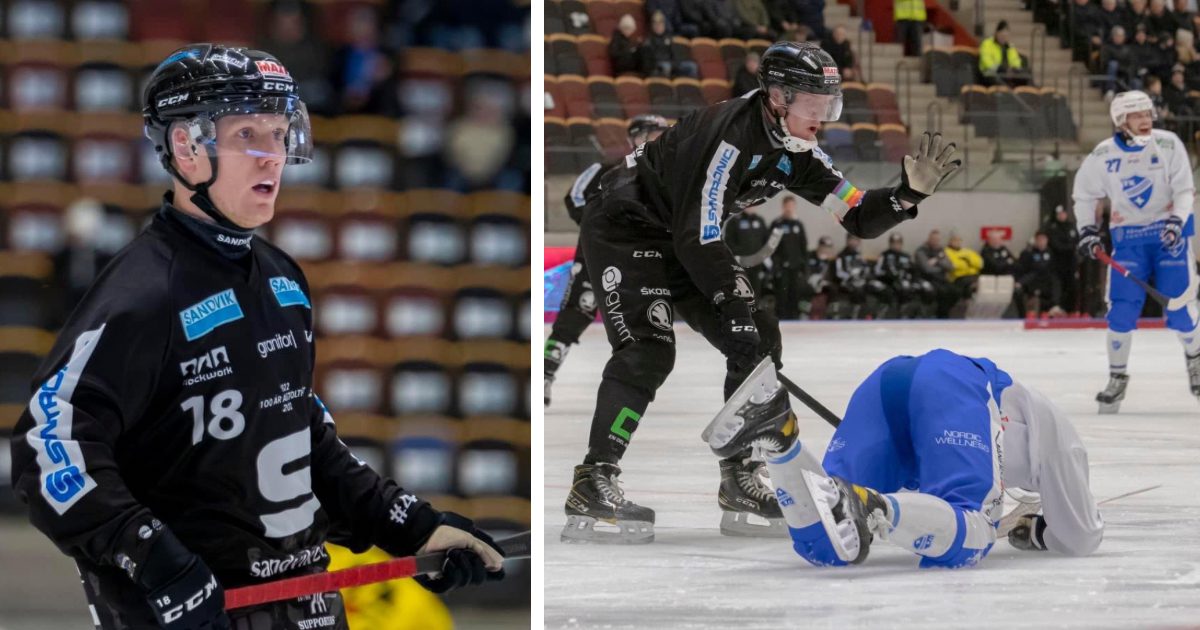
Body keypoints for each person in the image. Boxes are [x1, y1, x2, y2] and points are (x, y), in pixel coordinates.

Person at [9, 45, 505, 630]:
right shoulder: (143, 293)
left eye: (279, 132)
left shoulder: (282, 281)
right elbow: (48, 444)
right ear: (186, 149)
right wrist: (152, 558)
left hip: (307, 607)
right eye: (248, 134)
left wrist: (411, 526)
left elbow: (303, 435)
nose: (272, 157)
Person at [562, 41, 960, 543]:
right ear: (778, 97)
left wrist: (907, 195)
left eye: (830, 105)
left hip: (680, 235)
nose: (824, 117)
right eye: (815, 105)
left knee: (760, 338)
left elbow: (857, 215)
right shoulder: (727, 137)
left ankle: (739, 477)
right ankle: (593, 479)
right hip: (625, 227)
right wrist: (734, 304)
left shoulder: (798, 152)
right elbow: (698, 233)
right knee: (648, 350)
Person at [705, 351, 1104, 568]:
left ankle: (781, 440)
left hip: (887, 381)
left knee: (827, 539)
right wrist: (1035, 531)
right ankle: (873, 504)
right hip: (952, 384)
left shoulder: (1030, 423)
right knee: (974, 530)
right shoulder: (1065, 445)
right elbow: (1080, 537)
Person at [1074, 89, 1200, 412]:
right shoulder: (1103, 155)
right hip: (1128, 239)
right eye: (1137, 115)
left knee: (1180, 310)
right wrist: (1087, 230)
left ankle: (1195, 359)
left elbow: (1185, 189)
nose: (1146, 120)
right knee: (1121, 311)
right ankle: (1117, 379)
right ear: (1121, 121)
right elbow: (1085, 195)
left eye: (1148, 114)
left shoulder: (1169, 143)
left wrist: (1176, 221)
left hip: (1169, 237)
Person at [545, 115, 671, 407]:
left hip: (638, 254)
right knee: (580, 306)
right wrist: (599, 228)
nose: (658, 139)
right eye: (653, 134)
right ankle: (545, 371)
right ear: (637, 138)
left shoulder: (664, 174)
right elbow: (574, 198)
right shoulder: (605, 169)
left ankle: (635, 380)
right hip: (598, 250)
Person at [874, 232, 936, 318]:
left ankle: (922, 314)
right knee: (903, 288)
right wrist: (890, 276)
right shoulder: (885, 255)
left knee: (927, 288)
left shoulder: (906, 256)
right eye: (894, 243)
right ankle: (903, 314)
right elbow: (878, 271)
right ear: (890, 243)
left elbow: (913, 270)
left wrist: (915, 279)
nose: (896, 245)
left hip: (907, 280)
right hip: (891, 281)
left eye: (898, 243)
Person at [769, 196, 809, 319]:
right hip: (781, 267)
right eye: (787, 206)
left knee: (795, 293)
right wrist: (775, 264)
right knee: (782, 294)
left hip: (795, 266)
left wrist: (804, 265)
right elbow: (771, 247)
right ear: (783, 207)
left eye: (791, 206)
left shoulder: (798, 225)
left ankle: (794, 318)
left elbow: (803, 246)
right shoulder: (777, 225)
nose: (789, 208)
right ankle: (781, 318)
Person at [723, 203, 772, 299]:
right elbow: (729, 242)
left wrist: (765, 258)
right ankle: (743, 311)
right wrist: (738, 254)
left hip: (756, 263)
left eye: (753, 205)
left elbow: (766, 241)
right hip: (741, 263)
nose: (751, 207)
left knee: (756, 288)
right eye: (749, 205)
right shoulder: (734, 221)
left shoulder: (760, 221)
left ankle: (755, 310)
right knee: (742, 288)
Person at [1016, 231, 1064, 316]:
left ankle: (1055, 306)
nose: (1041, 242)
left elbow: (1053, 270)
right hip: (1033, 282)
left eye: (1043, 239)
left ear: (1047, 240)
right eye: (1039, 240)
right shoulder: (1028, 253)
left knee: (1055, 281)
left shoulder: (1051, 253)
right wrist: (1021, 282)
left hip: (1047, 282)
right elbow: (1023, 270)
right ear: (1035, 240)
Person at [640, 10, 700, 78]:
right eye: (656, 24)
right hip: (659, 66)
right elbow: (650, 62)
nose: (658, 26)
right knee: (666, 66)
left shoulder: (669, 37)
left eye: (660, 23)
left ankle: (690, 87)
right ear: (652, 25)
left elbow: (675, 54)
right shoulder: (648, 41)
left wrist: (675, 64)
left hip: (672, 64)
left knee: (691, 66)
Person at [1043, 205, 1080, 313]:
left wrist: (1071, 247)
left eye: (1063, 213)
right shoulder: (1052, 228)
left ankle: (1071, 309)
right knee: (1057, 286)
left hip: (1071, 263)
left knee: (1072, 286)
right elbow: (1057, 246)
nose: (1062, 216)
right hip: (1057, 264)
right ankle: (1057, 307)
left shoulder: (1071, 226)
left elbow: (1077, 242)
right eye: (1059, 214)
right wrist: (1071, 247)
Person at [979, 21, 1028, 87]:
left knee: (1025, 76)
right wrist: (1001, 69)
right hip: (990, 73)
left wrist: (1014, 69)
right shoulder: (987, 44)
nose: (1004, 38)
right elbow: (986, 61)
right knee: (998, 81)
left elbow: (1015, 60)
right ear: (996, 33)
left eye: (1006, 36)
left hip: (1006, 73)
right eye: (1002, 35)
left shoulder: (1009, 46)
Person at [945, 230, 984, 312]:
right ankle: (968, 304)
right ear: (950, 241)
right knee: (967, 284)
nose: (957, 242)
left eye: (959, 240)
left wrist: (967, 261)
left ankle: (974, 306)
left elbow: (980, 263)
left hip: (973, 275)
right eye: (955, 240)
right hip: (958, 277)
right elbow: (954, 265)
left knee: (982, 281)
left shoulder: (967, 251)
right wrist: (969, 263)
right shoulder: (946, 252)